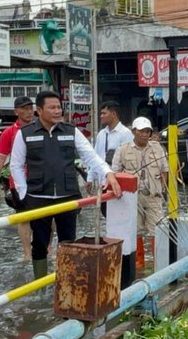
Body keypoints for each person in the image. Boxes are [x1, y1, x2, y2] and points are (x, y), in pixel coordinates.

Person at [9, 90, 121, 280]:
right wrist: (24, 193)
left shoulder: (71, 131)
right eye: (52, 107)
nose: (57, 111)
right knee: (40, 243)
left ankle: (66, 281)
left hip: (68, 196)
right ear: (39, 110)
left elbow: (90, 156)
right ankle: (40, 286)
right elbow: (16, 165)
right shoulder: (25, 134)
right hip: (38, 197)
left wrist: (108, 173)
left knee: (68, 241)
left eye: (59, 107)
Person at [111, 117, 170, 286]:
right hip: (132, 198)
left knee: (156, 230)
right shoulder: (123, 150)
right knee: (135, 230)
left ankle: (156, 265)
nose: (145, 134)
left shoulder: (157, 148)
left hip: (153, 195)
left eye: (147, 131)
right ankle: (138, 265)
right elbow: (115, 173)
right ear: (133, 132)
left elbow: (164, 170)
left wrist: (162, 190)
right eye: (141, 131)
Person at [0, 95, 37, 259]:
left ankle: (46, 248)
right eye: (24, 109)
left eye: (30, 108)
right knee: (23, 216)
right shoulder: (9, 132)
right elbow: (1, 157)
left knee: (48, 216)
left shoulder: (41, 127)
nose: (28, 112)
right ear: (16, 111)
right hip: (18, 181)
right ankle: (27, 252)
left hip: (41, 180)